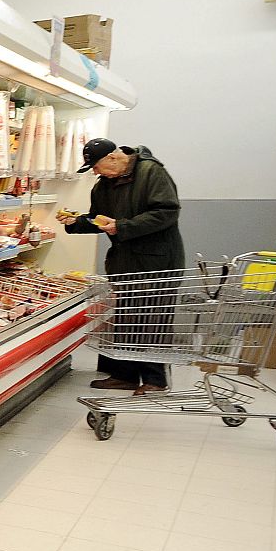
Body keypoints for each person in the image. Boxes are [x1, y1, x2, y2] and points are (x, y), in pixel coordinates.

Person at [61, 139, 186, 393]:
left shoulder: (151, 172)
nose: (95, 172)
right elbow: (98, 219)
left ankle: (155, 380)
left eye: (96, 166)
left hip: (157, 261)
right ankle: (124, 375)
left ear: (113, 157)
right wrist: (75, 222)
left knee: (152, 321)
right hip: (125, 262)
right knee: (126, 318)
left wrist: (122, 226)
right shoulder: (104, 185)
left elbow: (167, 212)